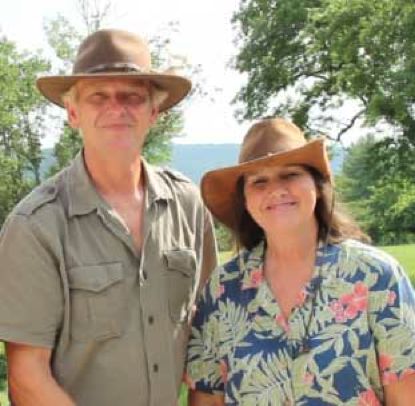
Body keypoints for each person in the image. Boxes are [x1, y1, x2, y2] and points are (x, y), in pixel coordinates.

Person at [0, 29, 217, 406]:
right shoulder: (37, 225)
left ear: (154, 113)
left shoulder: (187, 205)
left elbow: (209, 336)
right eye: (98, 96)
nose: (116, 108)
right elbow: (27, 376)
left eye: (132, 96)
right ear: (73, 113)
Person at [185, 118, 415, 405]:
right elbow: (207, 397)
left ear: (318, 187)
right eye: (259, 181)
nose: (276, 189)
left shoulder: (375, 276)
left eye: (290, 174)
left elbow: (406, 395)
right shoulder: (223, 290)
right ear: (245, 199)